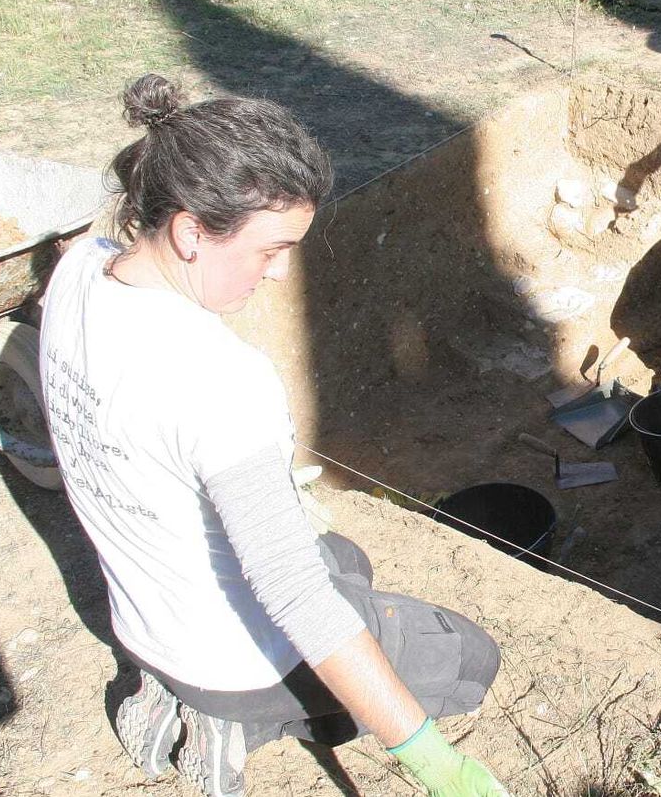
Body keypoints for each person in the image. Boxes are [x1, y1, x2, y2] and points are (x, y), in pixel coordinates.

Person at [39, 75, 507, 797]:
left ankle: (183, 692)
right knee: (470, 659)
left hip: (142, 626)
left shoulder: (77, 272)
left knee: (345, 555)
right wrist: (435, 762)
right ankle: (239, 721)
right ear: (191, 230)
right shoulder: (219, 379)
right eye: (270, 250)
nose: (283, 270)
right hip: (230, 665)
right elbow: (298, 601)